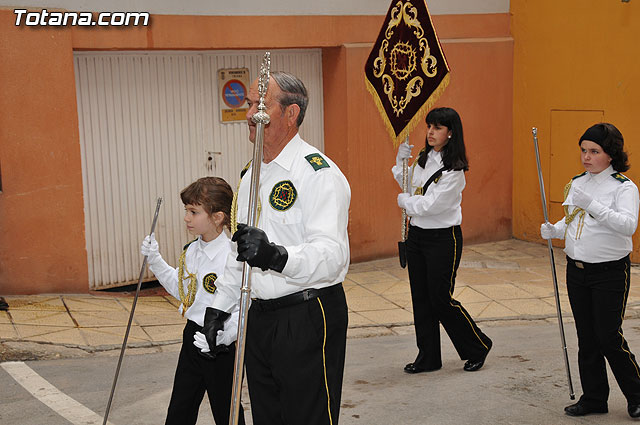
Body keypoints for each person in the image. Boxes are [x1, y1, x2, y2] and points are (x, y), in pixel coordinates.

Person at [201, 71, 351, 425]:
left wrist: (278, 256)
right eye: (250, 104)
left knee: (308, 417)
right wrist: (219, 307)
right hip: (260, 317)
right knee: (268, 417)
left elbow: (332, 255)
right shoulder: (250, 175)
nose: (252, 113)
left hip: (308, 314)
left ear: (291, 114)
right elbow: (242, 251)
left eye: (261, 105)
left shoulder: (319, 174)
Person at [540, 122, 640, 418]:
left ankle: (636, 393)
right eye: (583, 150)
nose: (586, 157)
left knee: (608, 335)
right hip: (577, 270)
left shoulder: (624, 187)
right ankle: (595, 398)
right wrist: (554, 229)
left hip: (609, 271)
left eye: (594, 151)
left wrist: (594, 204)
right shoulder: (578, 183)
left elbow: (628, 225)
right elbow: (572, 219)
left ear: (610, 154)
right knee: (586, 336)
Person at [393, 107, 492, 375]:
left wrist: (407, 203)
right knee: (421, 298)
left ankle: (478, 345)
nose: (430, 132)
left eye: (437, 128)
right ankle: (428, 357)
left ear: (451, 133)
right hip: (417, 236)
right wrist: (400, 163)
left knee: (440, 299)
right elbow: (409, 184)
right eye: (429, 127)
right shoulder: (425, 159)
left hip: (442, 238)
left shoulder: (454, 171)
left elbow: (431, 204)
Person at [139, 176, 245, 425]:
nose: (186, 217)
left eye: (193, 211)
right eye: (187, 210)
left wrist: (228, 333)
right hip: (193, 336)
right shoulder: (192, 250)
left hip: (221, 342)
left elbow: (246, 303)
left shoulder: (233, 255)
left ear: (217, 217)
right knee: (180, 408)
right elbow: (183, 291)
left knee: (227, 412)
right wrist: (155, 260)